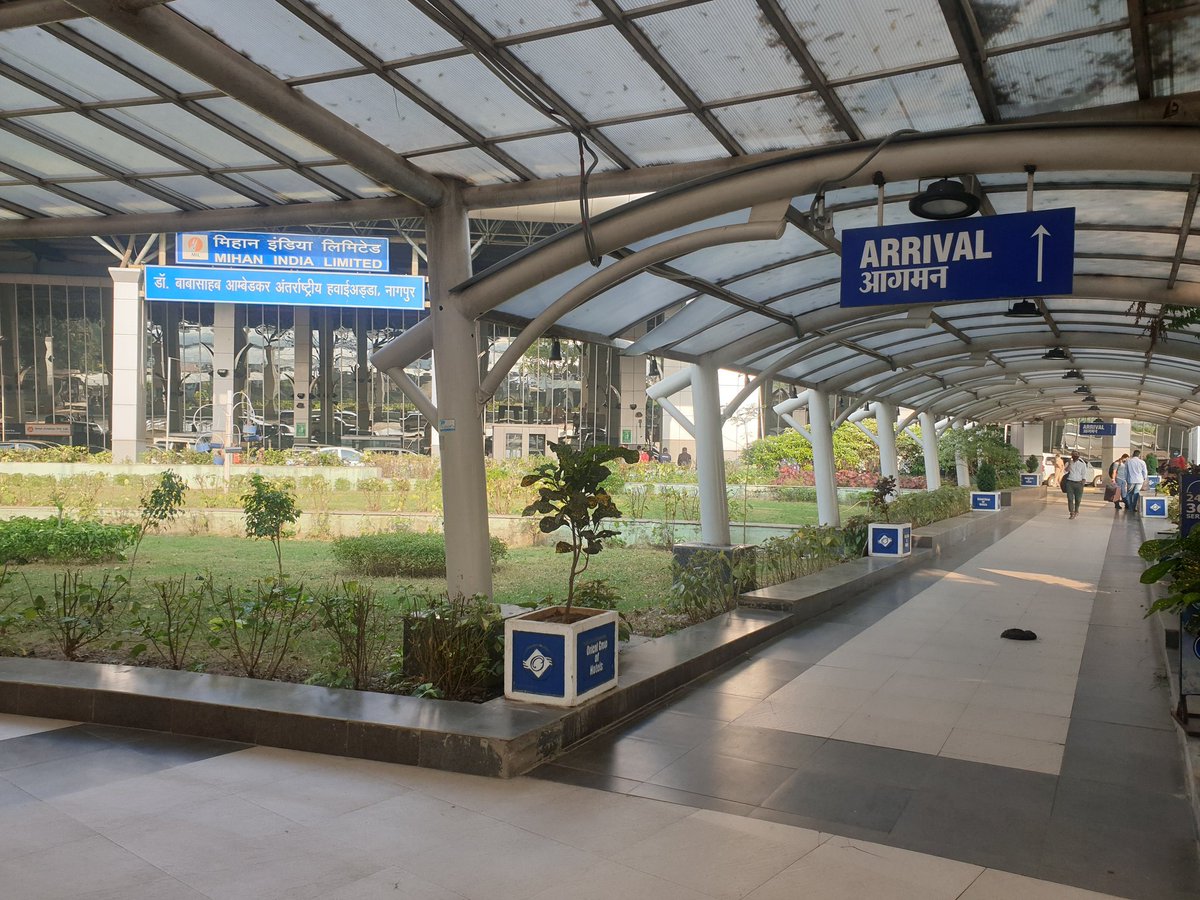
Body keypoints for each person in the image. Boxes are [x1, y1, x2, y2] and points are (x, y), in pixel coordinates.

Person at [1063, 450, 1088, 519]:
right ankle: (1072, 512)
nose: (1074, 456)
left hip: (1079, 483)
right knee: (1070, 499)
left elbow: (1084, 474)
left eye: (1076, 454)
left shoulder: (1082, 464)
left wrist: (1083, 482)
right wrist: (1069, 465)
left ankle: (1076, 510)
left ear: (1078, 456)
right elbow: (1065, 471)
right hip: (1070, 483)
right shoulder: (1068, 463)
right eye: (1073, 454)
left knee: (1078, 499)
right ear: (1071, 456)